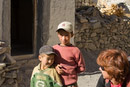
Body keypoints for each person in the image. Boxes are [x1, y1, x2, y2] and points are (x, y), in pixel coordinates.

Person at [53, 21, 86, 87]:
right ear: (58, 35)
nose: (63, 38)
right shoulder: (54, 49)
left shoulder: (75, 50)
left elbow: (81, 68)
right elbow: (49, 63)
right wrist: (55, 67)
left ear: (72, 35)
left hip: (71, 84)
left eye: (66, 35)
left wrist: (70, 72)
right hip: (56, 84)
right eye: (61, 35)